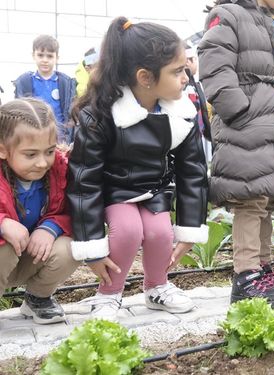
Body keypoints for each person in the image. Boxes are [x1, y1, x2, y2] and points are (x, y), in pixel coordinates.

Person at [67, 17, 208, 321]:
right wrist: (91, 247)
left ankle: (157, 286)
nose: (186, 77)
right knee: (128, 231)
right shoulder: (100, 116)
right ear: (145, 77)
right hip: (114, 191)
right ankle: (108, 293)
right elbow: (84, 181)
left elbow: (193, 172)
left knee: (159, 232)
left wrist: (190, 229)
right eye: (177, 71)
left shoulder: (181, 113)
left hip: (153, 190)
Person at [199, 0, 274, 307]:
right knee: (249, 202)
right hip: (247, 127)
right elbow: (214, 67)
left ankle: (262, 269)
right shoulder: (228, 15)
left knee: (265, 200)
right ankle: (245, 276)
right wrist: (239, 111)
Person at [0, 98, 80, 324]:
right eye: (31, 154)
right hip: (4, 257)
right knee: (3, 248)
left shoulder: (59, 172)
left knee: (72, 247)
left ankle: (37, 298)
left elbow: (70, 210)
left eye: (49, 151)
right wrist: (3, 223)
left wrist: (50, 227)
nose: (43, 162)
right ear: (3, 150)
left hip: (29, 255)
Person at [14, 35, 77, 145]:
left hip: (60, 139)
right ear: (33, 55)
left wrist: (68, 139)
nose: (45, 60)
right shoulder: (24, 81)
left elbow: (71, 113)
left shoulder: (66, 82)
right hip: (33, 136)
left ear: (57, 58)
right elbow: (18, 114)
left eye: (49, 56)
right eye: (40, 55)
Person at [183, 42, 213, 164]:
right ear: (187, 62)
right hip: (191, 137)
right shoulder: (186, 87)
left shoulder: (195, 85)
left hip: (197, 136)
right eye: (195, 59)